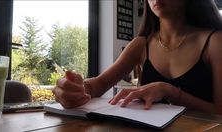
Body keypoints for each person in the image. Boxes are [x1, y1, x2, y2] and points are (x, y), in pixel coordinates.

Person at [53, 0, 222, 114]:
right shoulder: (141, 45)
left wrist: (169, 91)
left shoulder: (214, 42)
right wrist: (77, 89)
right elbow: (101, 83)